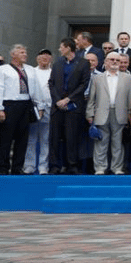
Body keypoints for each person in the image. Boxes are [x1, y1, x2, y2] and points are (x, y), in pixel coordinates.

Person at [0, 44, 42, 175]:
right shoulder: (3, 70)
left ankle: (17, 167)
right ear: (13, 55)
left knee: (23, 138)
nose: (25, 55)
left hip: (25, 105)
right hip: (9, 104)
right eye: (21, 52)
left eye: (25, 52)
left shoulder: (31, 70)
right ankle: (2, 168)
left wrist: (40, 106)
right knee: (6, 138)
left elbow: (36, 88)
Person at [86, 53, 131, 175]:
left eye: (117, 60)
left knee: (118, 143)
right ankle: (100, 168)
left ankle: (117, 168)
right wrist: (89, 114)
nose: (115, 62)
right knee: (101, 143)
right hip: (101, 113)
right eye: (112, 59)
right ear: (106, 62)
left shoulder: (128, 78)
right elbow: (92, 98)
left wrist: (130, 115)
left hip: (120, 113)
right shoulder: (97, 78)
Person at [48, 38, 91, 175]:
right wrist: (58, 100)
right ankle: (54, 165)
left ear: (68, 48)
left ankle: (72, 165)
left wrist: (68, 99)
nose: (60, 49)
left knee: (72, 137)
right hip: (57, 106)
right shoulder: (57, 64)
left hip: (73, 105)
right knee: (54, 137)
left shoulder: (83, 63)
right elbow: (51, 83)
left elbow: (83, 84)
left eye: (61, 47)